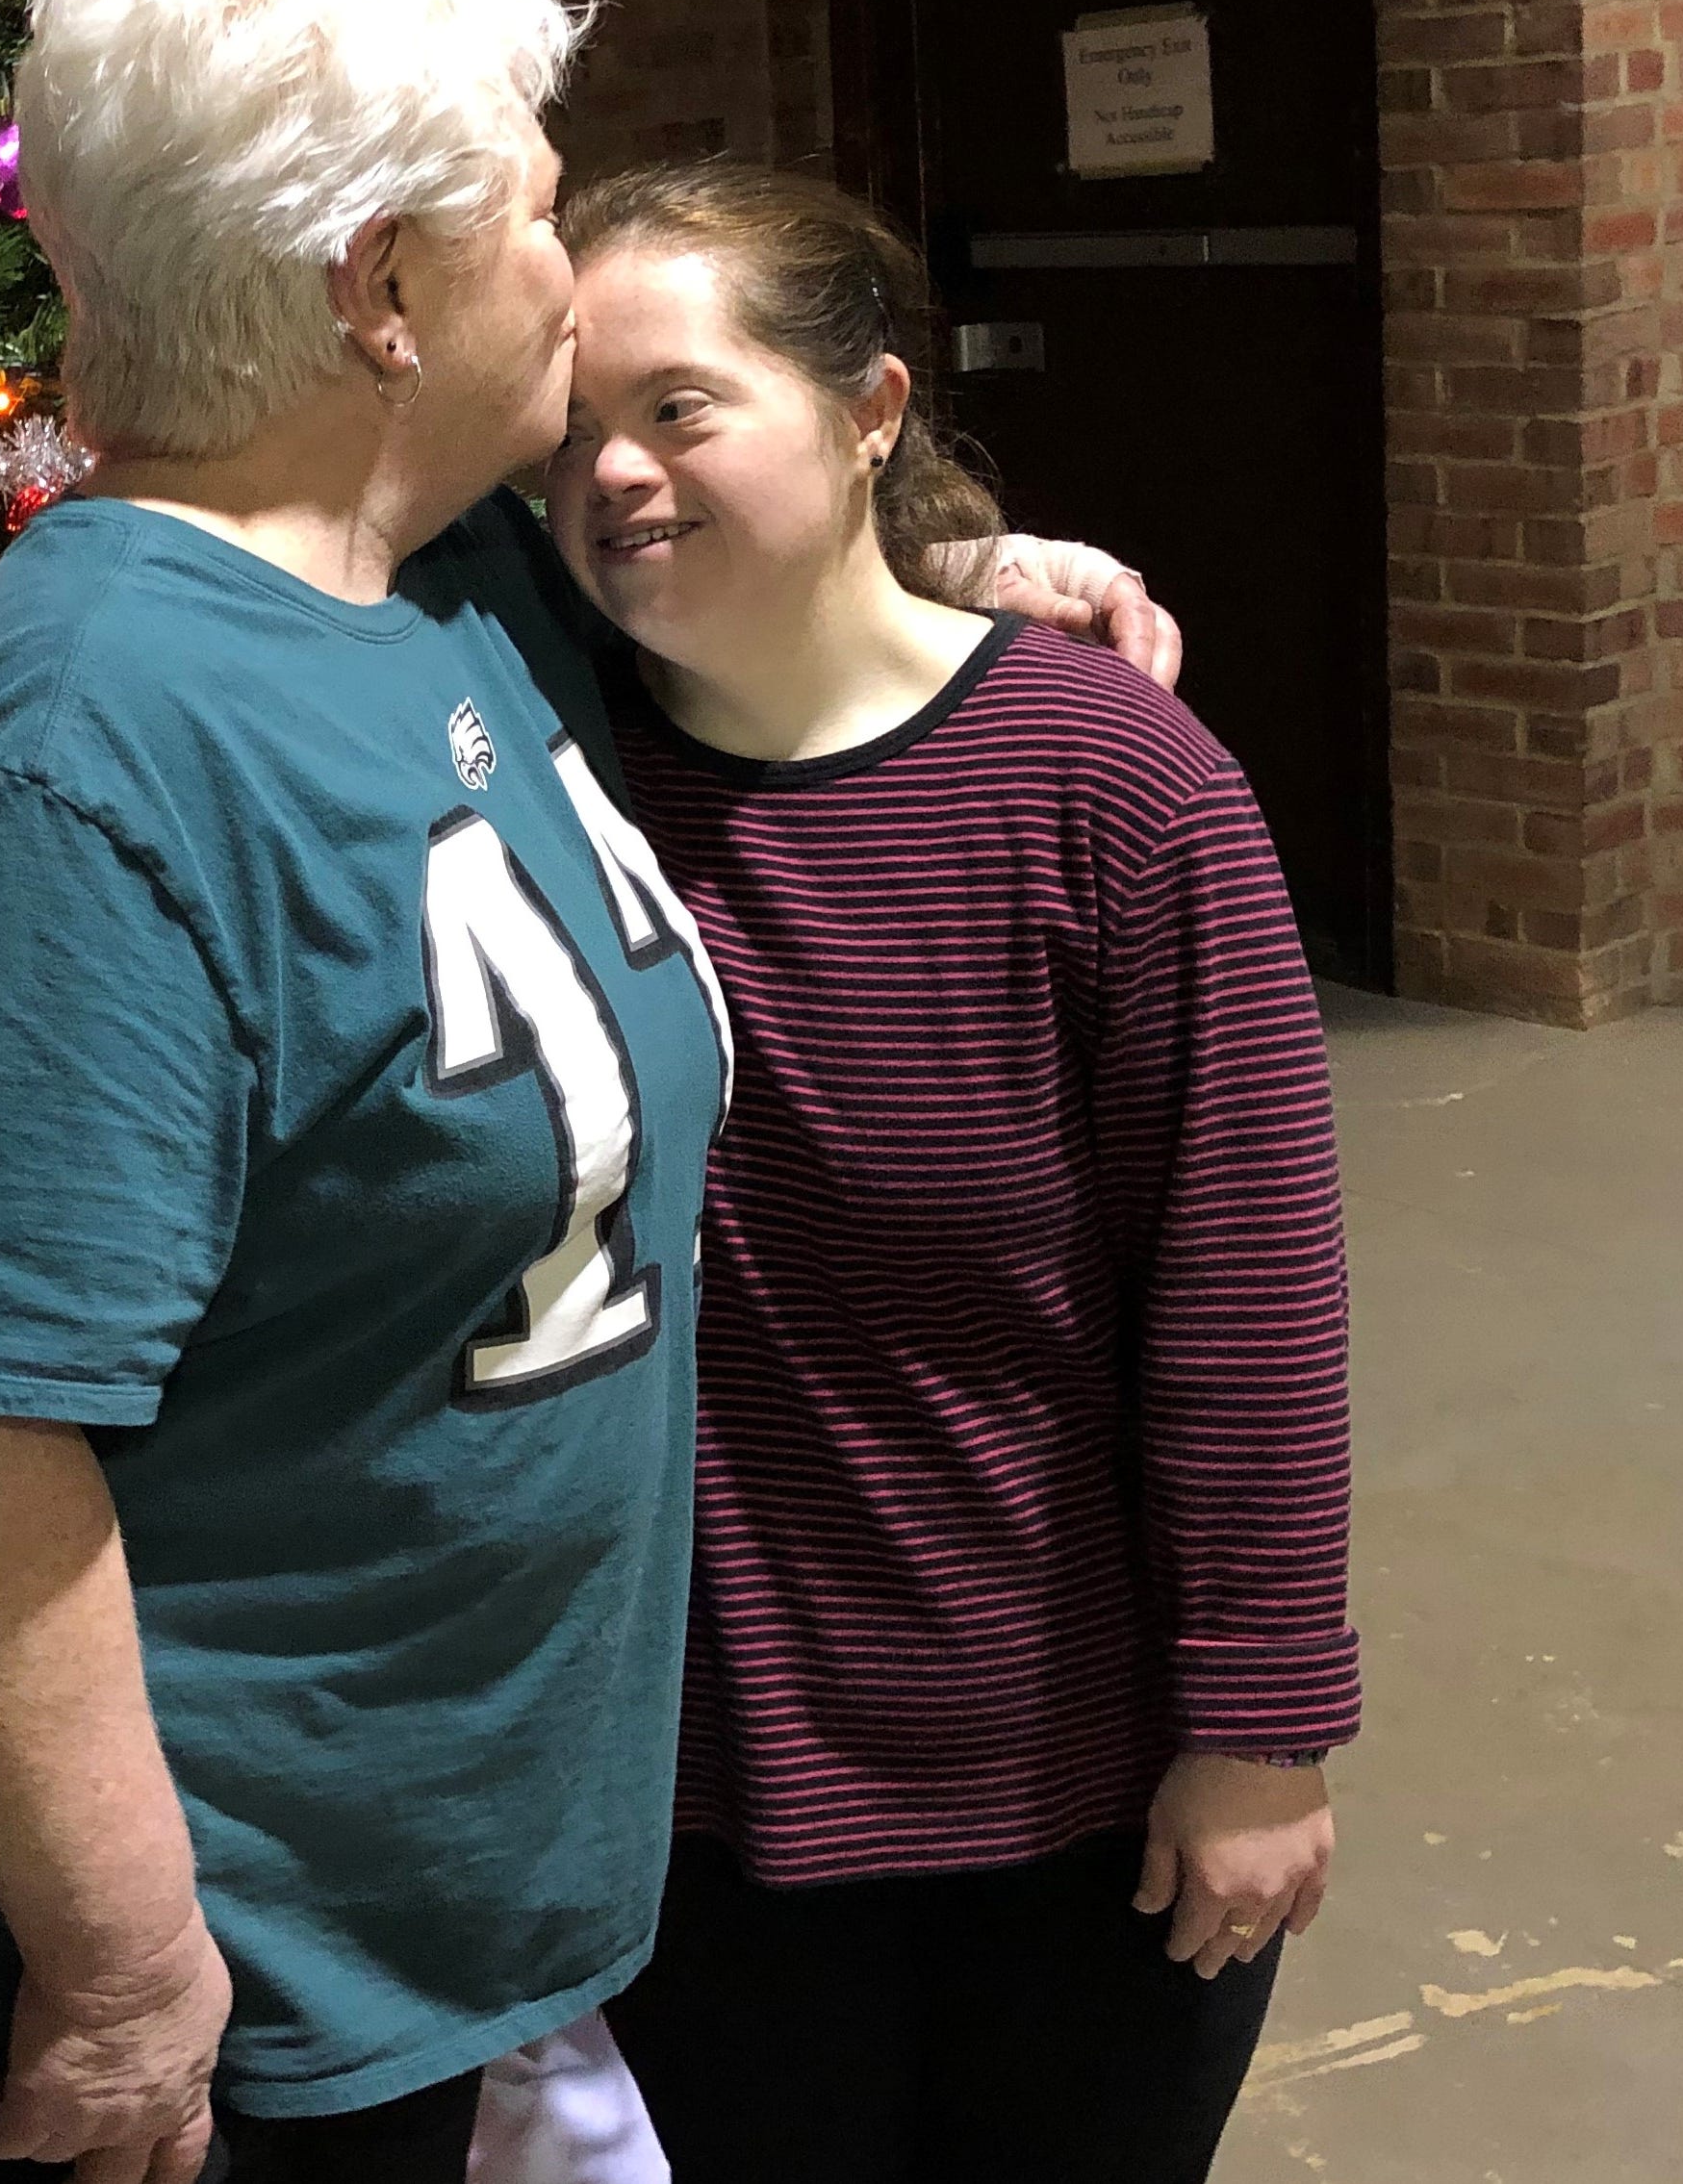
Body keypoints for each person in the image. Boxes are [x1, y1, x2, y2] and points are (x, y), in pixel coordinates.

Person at [0, 0, 1170, 2184]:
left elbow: (725, 574)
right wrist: (127, 1978)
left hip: (431, 1938)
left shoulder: (443, 566)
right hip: (209, 2014)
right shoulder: (86, 751)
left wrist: (946, 574)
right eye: (528, 205)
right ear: (378, 287)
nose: (569, 259)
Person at [530, 162, 1360, 2184]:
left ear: (873, 408)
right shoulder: (544, 782)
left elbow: (1243, 1297)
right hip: (692, 1796)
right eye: (567, 435)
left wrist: (1259, 1729)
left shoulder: (1116, 789)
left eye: (680, 406)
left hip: (1061, 1786)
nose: (615, 476)